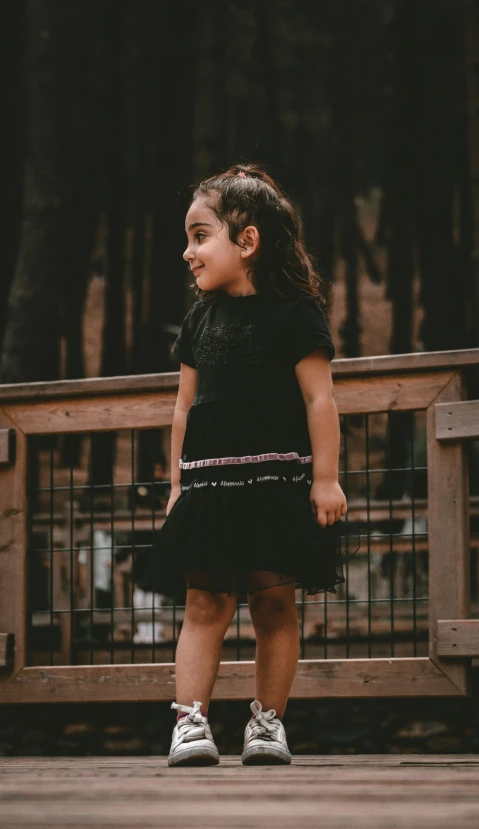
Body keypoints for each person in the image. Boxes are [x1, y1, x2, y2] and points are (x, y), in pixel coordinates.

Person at [144, 163, 357, 768]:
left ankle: (267, 725)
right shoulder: (198, 321)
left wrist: (325, 479)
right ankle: (190, 722)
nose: (188, 252)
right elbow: (184, 407)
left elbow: (321, 399)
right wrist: (177, 484)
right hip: (209, 486)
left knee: (274, 603)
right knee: (204, 604)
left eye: (199, 235)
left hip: (274, 484)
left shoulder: (297, 313)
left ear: (247, 240)